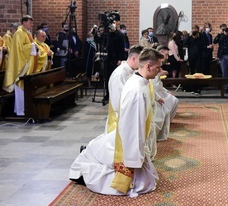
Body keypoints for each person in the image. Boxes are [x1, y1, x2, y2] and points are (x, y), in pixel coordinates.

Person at [68, 48, 164, 197]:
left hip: (126, 136)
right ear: (148, 66)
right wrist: (134, 156)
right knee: (142, 183)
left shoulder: (138, 80)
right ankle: (86, 172)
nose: (160, 71)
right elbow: (133, 125)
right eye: (158, 67)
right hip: (126, 139)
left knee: (146, 178)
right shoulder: (137, 91)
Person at [105, 45, 143, 133]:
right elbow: (118, 101)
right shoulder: (120, 74)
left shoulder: (132, 71)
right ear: (134, 59)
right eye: (141, 61)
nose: (143, 64)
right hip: (120, 118)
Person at [4, 15, 35, 116]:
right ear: (24, 22)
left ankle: (26, 108)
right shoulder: (19, 33)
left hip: (27, 62)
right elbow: (20, 49)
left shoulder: (27, 33)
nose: (31, 24)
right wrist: (33, 46)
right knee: (21, 86)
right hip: (21, 64)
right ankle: (20, 110)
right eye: (30, 22)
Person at [154, 45, 179, 141]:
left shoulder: (158, 64)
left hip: (159, 92)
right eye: (166, 55)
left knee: (174, 100)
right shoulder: (154, 65)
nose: (167, 57)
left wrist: (166, 90)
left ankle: (167, 122)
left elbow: (158, 83)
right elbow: (151, 85)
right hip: (155, 95)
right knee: (164, 109)